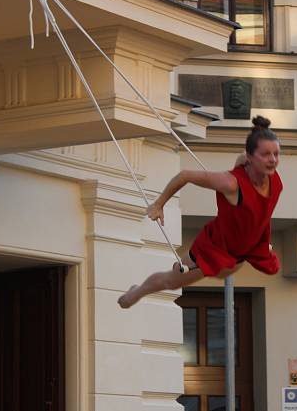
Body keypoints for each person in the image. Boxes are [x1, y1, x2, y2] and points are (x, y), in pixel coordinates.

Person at [118, 115, 283, 308]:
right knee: (173, 281)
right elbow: (185, 175)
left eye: (276, 154)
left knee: (230, 271)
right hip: (218, 246)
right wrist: (158, 204)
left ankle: (205, 265)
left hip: (247, 247)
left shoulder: (265, 172)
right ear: (250, 157)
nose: (272, 160)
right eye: (265, 154)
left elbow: (243, 160)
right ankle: (136, 292)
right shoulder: (230, 183)